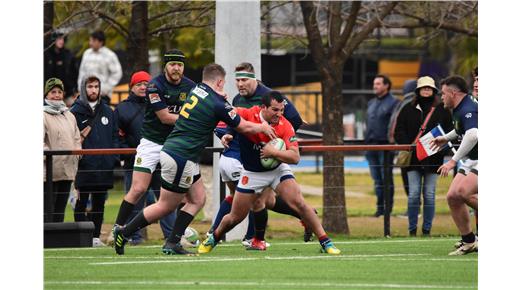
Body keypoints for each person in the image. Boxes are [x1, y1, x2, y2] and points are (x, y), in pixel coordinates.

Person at [112, 63, 276, 256]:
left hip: (177, 152)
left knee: (198, 199)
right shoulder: (217, 102)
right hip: (182, 155)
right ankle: (125, 232)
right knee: (166, 205)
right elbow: (244, 127)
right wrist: (262, 128)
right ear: (221, 81)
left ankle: (172, 241)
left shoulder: (196, 89)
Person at [198, 91, 340, 255]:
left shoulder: (284, 125)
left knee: (300, 203)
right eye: (275, 110)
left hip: (277, 170)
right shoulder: (248, 113)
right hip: (252, 172)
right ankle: (213, 238)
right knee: (235, 217)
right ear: (263, 107)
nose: (279, 114)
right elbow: (230, 116)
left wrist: (274, 153)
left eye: (281, 110)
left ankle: (326, 242)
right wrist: (230, 132)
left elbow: (295, 157)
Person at [210, 62, 311, 248]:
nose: (240, 84)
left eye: (244, 80)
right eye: (237, 80)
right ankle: (305, 215)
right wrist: (227, 134)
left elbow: (294, 120)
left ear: (254, 79)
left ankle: (247, 238)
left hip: (268, 157)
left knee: (256, 199)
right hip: (245, 156)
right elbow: (234, 121)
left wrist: (280, 143)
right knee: (263, 200)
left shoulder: (270, 97)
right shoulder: (238, 99)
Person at [112, 50, 196, 251]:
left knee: (188, 196)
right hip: (151, 143)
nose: (176, 68)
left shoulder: (191, 87)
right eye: (172, 64)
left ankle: (173, 238)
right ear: (165, 66)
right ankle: (118, 229)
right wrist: (193, 119)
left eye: (180, 65)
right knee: (138, 189)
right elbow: (165, 118)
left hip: (176, 144)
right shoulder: (154, 86)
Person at [114, 71, 176, 245]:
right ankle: (130, 236)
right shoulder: (123, 108)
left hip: (161, 160)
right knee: (135, 196)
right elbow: (117, 136)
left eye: (145, 84)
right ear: (131, 87)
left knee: (166, 200)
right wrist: (125, 154)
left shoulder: (160, 102)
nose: (143, 87)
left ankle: (171, 236)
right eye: (138, 84)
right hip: (135, 161)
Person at [394, 76, 453, 236]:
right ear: (418, 90)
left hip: (433, 160)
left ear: (434, 91)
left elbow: (450, 131)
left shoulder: (443, 110)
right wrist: (409, 145)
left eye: (429, 88)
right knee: (413, 195)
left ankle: (427, 230)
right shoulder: (407, 108)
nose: (426, 90)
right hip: (413, 159)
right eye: (423, 88)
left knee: (429, 195)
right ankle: (412, 230)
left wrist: (441, 148)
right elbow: (398, 130)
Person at [430, 75, 478, 255]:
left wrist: (452, 161)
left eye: (443, 93)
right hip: (474, 157)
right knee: (452, 197)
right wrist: (445, 137)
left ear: (453, 93)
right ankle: (469, 241)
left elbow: (473, 134)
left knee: (464, 192)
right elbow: (462, 130)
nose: (441, 97)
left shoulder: (468, 109)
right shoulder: (461, 107)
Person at [70, 75, 119, 247]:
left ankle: (96, 238)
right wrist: (79, 160)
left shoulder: (108, 111)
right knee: (81, 203)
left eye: (96, 86)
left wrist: (113, 158)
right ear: (84, 88)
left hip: (104, 166)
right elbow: (72, 140)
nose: (93, 90)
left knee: (99, 203)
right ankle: (81, 238)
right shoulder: (74, 112)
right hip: (84, 166)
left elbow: (114, 137)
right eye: (90, 87)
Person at [43, 78, 81, 222]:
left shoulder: (69, 116)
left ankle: (57, 242)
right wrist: (49, 158)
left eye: (59, 92)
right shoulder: (42, 115)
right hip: (48, 173)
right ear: (46, 95)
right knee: (47, 210)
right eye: (53, 92)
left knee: (60, 209)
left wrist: (77, 154)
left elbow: (76, 138)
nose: (57, 95)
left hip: (67, 171)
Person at [365, 75, 399, 217]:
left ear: (386, 85)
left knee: (386, 179)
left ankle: (387, 210)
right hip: (370, 146)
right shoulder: (371, 103)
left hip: (385, 147)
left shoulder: (395, 103)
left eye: (378, 83)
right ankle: (380, 208)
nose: (375, 86)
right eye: (374, 83)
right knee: (377, 180)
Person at [389, 79, 417, 217]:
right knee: (409, 179)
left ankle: (413, 210)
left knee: (409, 179)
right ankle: (413, 209)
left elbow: (398, 126)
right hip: (406, 147)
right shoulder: (404, 103)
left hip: (407, 148)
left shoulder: (407, 103)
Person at [77, 30, 122, 105]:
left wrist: (106, 88)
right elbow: (82, 72)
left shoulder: (110, 55)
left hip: (102, 95)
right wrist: (80, 88)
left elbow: (117, 72)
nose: (90, 43)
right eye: (90, 40)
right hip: (86, 94)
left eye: (93, 41)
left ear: (101, 42)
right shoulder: (87, 53)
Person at [44, 32, 77, 99]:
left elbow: (74, 73)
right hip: (49, 93)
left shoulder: (68, 55)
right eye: (59, 39)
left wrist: (71, 89)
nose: (61, 41)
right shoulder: (47, 55)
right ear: (54, 40)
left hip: (67, 92)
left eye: (63, 39)